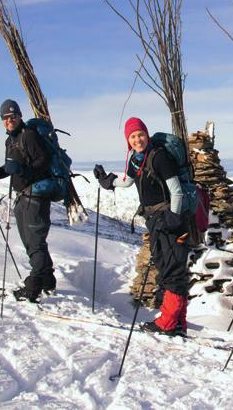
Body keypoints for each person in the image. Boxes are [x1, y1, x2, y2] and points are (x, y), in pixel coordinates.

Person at [93, 117, 190, 336]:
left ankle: (168, 322)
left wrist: (174, 217)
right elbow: (127, 181)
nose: (137, 139)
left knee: (171, 269)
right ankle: (177, 322)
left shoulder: (160, 158)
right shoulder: (136, 159)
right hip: (155, 220)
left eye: (140, 135)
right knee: (169, 267)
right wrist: (107, 181)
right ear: (128, 140)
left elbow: (176, 190)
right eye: (133, 136)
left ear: (147, 134)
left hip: (167, 218)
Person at [0, 99, 57, 302]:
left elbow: (43, 162)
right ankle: (48, 281)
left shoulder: (28, 135)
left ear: (19, 116)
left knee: (35, 243)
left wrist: (23, 170)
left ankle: (33, 287)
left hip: (36, 196)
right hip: (23, 197)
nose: (9, 120)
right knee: (31, 244)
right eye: (5, 118)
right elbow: (8, 169)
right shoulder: (10, 141)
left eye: (13, 116)